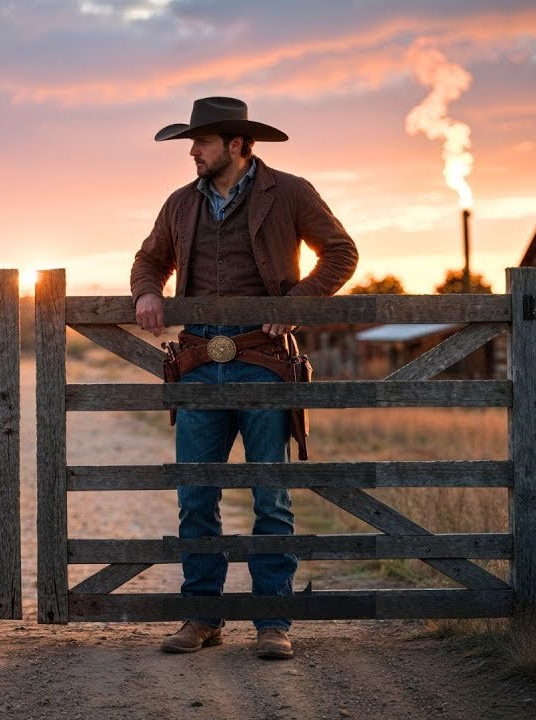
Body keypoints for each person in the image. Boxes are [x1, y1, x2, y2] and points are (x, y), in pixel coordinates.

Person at [131, 97, 358, 660]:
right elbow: (149, 259)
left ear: (235, 144)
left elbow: (340, 252)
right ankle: (201, 617)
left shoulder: (292, 191)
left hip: (265, 359)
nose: (192, 151)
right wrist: (148, 291)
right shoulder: (181, 202)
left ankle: (272, 623)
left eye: (201, 142)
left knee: (270, 498)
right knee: (196, 497)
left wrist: (297, 302)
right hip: (197, 361)